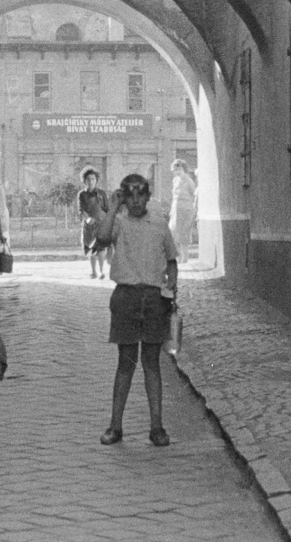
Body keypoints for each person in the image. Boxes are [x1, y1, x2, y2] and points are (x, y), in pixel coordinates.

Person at [92, 173, 179, 447]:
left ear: (149, 196)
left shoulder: (159, 225)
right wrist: (114, 208)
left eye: (141, 194)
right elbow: (103, 238)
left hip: (154, 299)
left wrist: (173, 282)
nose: (136, 200)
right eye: (130, 195)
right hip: (126, 298)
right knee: (126, 363)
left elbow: (171, 259)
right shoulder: (117, 222)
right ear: (123, 197)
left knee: (152, 363)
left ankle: (157, 427)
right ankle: (115, 426)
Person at [77, 168, 110, 279]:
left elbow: (107, 209)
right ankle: (93, 271)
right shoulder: (82, 194)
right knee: (91, 248)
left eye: (93, 179)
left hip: (101, 224)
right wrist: (88, 219)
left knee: (100, 248)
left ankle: (101, 271)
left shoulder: (102, 194)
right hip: (89, 225)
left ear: (96, 180)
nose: (91, 181)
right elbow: (81, 210)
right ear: (84, 181)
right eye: (88, 179)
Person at [169, 159, 197, 264]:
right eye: (175, 169)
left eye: (179, 168)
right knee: (174, 234)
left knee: (184, 235)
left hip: (186, 208)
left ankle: (184, 260)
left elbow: (194, 194)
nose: (177, 171)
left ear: (184, 168)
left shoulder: (189, 180)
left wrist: (192, 209)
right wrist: (172, 210)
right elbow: (173, 196)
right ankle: (178, 260)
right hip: (176, 209)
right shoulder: (175, 180)